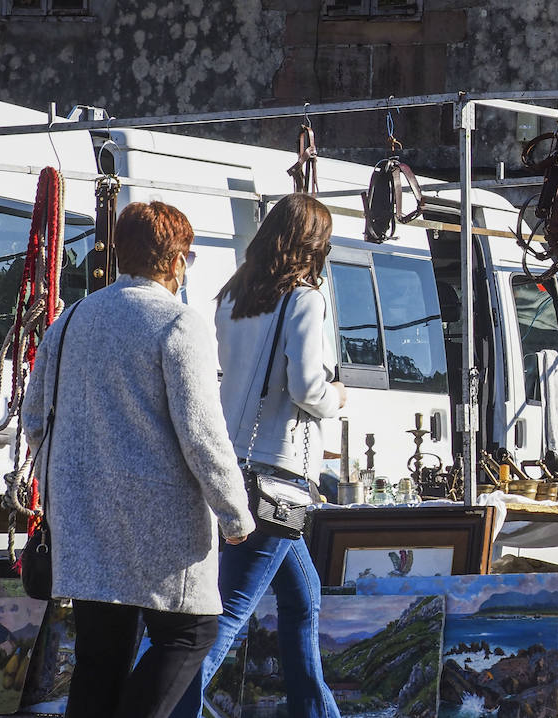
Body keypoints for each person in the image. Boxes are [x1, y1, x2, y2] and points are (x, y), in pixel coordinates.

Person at [21, 202, 255, 718]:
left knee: (99, 657)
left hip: (84, 522)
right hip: (160, 527)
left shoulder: (71, 320)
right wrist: (234, 513)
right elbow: (202, 435)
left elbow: (35, 419)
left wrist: (64, 480)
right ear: (174, 260)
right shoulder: (177, 323)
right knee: (192, 632)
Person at [171, 193, 346, 718]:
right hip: (278, 477)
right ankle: (170, 707)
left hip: (233, 465)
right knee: (233, 609)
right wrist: (337, 397)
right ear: (315, 244)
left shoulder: (232, 295)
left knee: (302, 599)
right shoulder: (306, 298)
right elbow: (308, 387)